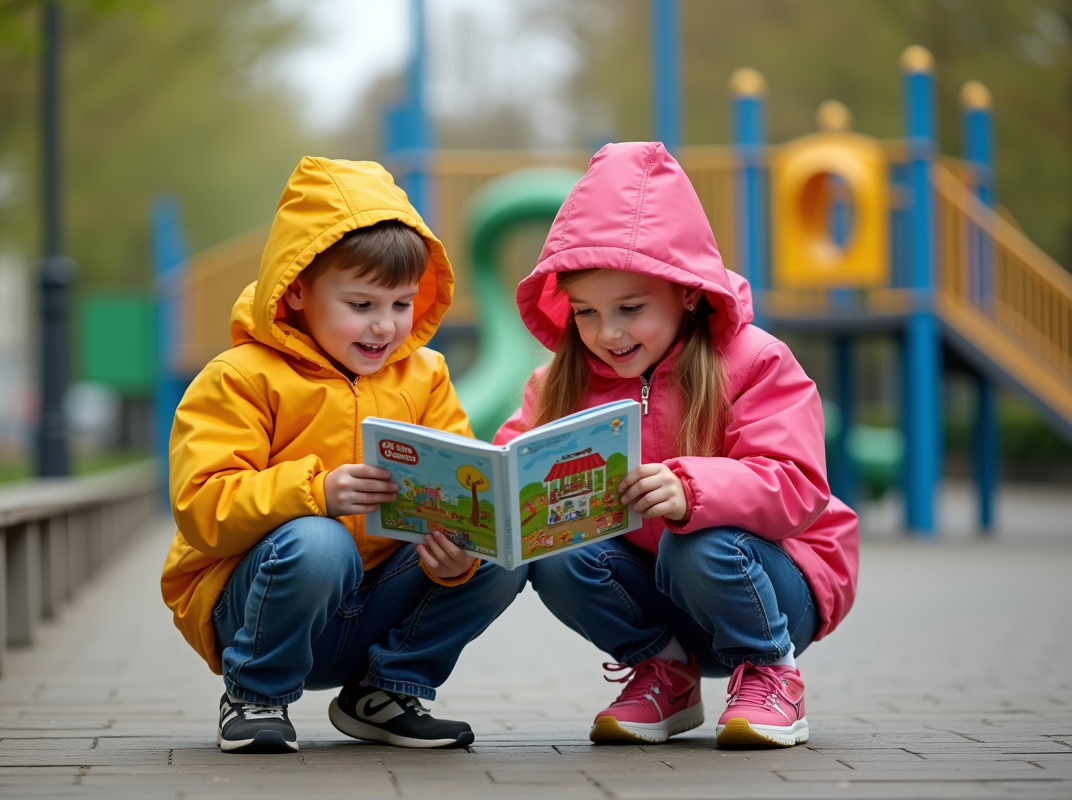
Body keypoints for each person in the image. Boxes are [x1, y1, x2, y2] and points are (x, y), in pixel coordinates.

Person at [495, 142, 859, 748]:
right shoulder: (560, 381)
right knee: (554, 552)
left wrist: (692, 488)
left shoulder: (755, 361)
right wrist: (478, 515)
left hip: (768, 582)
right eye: (585, 312)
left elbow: (798, 485)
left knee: (700, 542)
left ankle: (771, 673)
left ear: (686, 292)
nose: (606, 333)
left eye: (629, 308)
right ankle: (663, 672)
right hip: (653, 590)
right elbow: (513, 470)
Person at [162, 156, 527, 754]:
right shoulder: (241, 377)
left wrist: (458, 554)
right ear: (298, 290)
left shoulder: (426, 374)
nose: (385, 327)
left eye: (402, 304)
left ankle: (384, 693)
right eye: (362, 305)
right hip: (260, 604)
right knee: (319, 541)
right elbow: (199, 507)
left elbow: (463, 485)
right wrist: (316, 494)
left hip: (377, 602)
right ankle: (254, 695)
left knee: (505, 552)